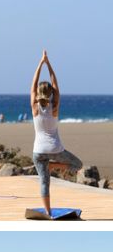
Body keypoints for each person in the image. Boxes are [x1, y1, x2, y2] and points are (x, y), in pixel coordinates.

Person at [30, 50, 83, 217]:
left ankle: (47, 211)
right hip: (55, 150)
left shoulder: (34, 106)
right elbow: (55, 84)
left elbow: (33, 83)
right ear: (51, 93)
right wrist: (49, 64)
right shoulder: (55, 106)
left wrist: (40, 63)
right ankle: (53, 165)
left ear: (38, 94)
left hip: (38, 152)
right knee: (77, 165)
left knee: (44, 182)